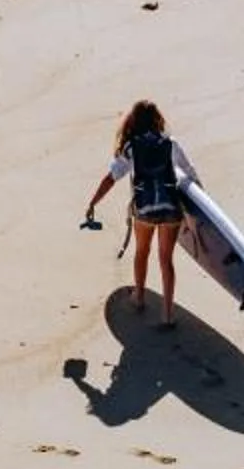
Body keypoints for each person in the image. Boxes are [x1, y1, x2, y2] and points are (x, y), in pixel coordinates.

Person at [81, 99, 196, 327]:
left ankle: (139, 297)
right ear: (157, 120)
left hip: (144, 209)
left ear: (133, 121)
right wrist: (199, 215)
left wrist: (93, 202)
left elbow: (111, 178)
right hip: (171, 209)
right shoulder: (170, 144)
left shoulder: (131, 147)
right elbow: (190, 174)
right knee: (166, 260)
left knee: (142, 252)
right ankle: (167, 314)